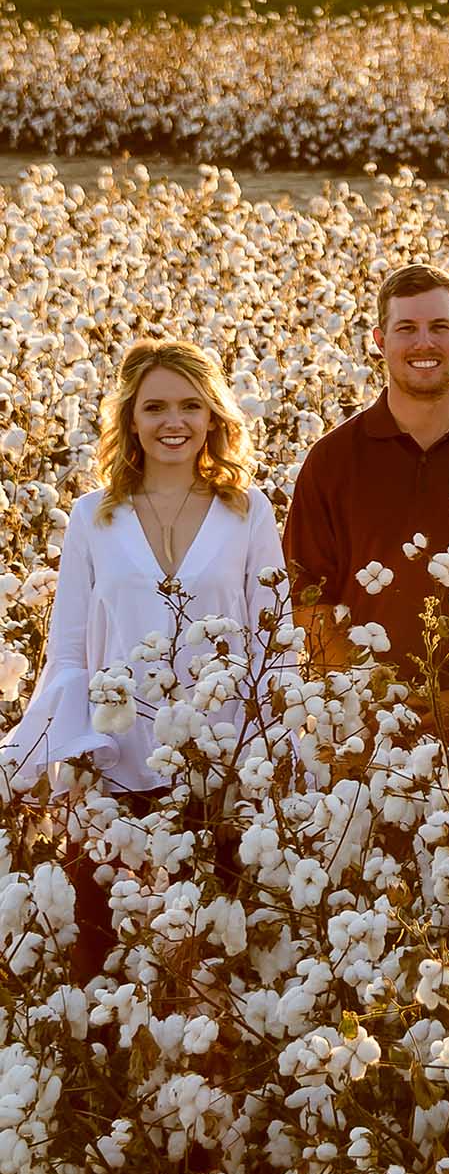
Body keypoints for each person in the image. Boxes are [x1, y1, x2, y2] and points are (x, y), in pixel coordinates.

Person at [2, 339, 290, 979]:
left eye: (191, 405)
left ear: (214, 417)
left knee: (222, 956)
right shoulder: (91, 518)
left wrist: (275, 755)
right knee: (100, 956)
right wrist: (53, 758)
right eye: (154, 406)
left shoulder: (249, 513)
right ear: (130, 418)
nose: (174, 422)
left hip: (222, 767)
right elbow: (69, 649)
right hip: (111, 767)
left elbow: (276, 641)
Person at [283, 264, 449, 729]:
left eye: (440, 327)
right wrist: (361, 696)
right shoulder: (332, 459)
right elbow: (308, 598)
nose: (424, 343)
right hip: (362, 729)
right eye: (406, 329)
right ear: (379, 341)